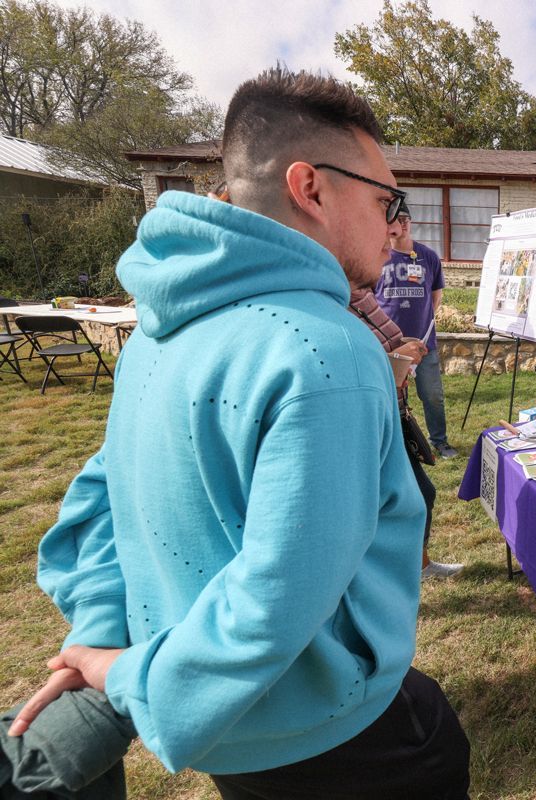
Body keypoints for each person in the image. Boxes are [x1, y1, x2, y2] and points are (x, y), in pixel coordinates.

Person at [10, 67, 470, 798]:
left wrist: (102, 629)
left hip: (231, 736)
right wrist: (128, 674)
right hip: (342, 736)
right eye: (386, 200)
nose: (393, 226)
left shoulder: (160, 331)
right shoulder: (328, 349)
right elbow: (275, 597)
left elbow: (98, 498)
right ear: (310, 187)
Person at [350, 287, 464, 580]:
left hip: (395, 414)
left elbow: (385, 344)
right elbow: (351, 373)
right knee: (383, 506)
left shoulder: (363, 295)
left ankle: (418, 566)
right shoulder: (334, 305)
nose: (394, 239)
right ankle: (386, 575)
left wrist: (405, 346)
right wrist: (396, 360)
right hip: (367, 423)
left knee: (421, 493)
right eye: (392, 235)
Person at [374, 211, 457, 459]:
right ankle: (394, 445)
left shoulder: (428, 257)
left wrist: (422, 325)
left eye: (406, 219)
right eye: (395, 219)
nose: (402, 224)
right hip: (389, 346)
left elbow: (436, 297)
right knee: (390, 398)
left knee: (432, 395)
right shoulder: (378, 256)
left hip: (423, 345)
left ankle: (439, 441)